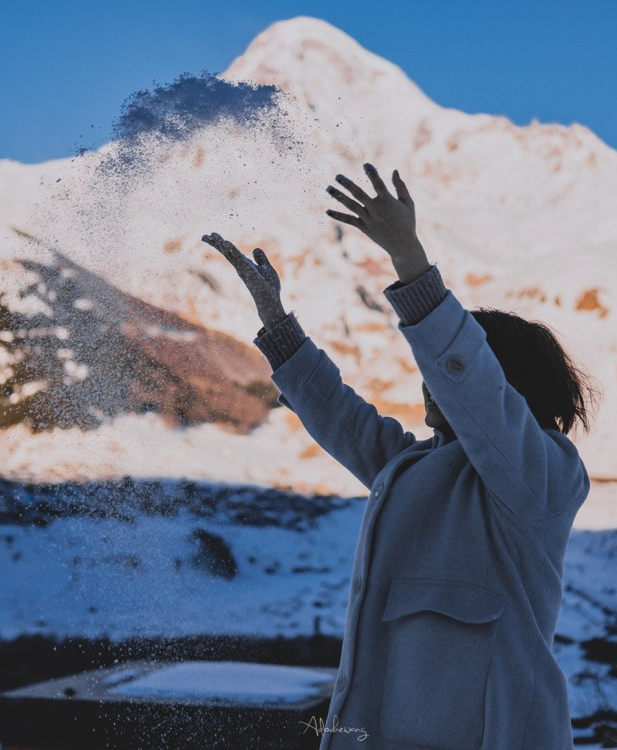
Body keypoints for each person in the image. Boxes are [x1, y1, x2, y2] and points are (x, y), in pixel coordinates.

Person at [202, 163, 595, 750]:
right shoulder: (418, 469)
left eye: (440, 372)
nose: (427, 386)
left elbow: (476, 388)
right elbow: (347, 422)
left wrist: (409, 259)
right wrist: (278, 328)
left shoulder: (542, 478)